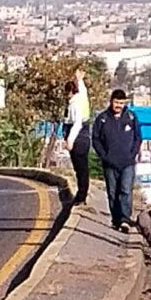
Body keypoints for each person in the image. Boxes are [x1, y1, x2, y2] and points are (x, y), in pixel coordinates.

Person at [92, 89, 142, 232]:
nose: (118, 105)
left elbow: (138, 138)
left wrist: (132, 154)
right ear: (111, 101)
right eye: (116, 102)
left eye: (121, 103)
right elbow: (95, 139)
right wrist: (104, 156)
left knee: (125, 190)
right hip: (110, 163)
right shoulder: (102, 119)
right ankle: (116, 219)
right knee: (112, 193)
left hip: (127, 163)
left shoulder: (131, 117)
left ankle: (125, 219)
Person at [63, 67, 91, 204]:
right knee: (82, 168)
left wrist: (70, 140)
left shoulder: (74, 104)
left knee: (80, 169)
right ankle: (82, 195)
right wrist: (80, 80)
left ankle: (81, 196)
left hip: (78, 138)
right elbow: (83, 90)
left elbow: (77, 123)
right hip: (85, 136)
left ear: (69, 92)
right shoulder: (82, 97)